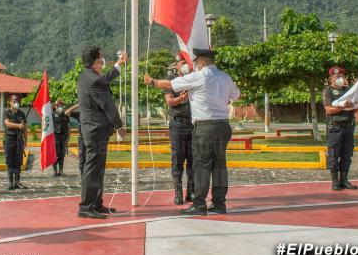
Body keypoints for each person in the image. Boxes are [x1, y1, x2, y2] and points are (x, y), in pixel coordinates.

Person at [144, 48, 240, 216]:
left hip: (205, 127)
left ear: (200, 61)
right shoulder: (225, 76)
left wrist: (151, 81)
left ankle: (199, 204)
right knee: (219, 165)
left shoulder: (198, 76)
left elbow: (168, 85)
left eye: (195, 61)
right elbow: (236, 96)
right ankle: (219, 203)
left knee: (201, 165)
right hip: (223, 126)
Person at [77, 47, 127, 219]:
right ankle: (86, 206)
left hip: (92, 128)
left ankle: (96, 203)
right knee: (93, 168)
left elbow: (104, 81)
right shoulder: (95, 80)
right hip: (96, 129)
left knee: (97, 168)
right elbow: (108, 104)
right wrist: (119, 126)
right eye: (101, 58)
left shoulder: (87, 76)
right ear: (95, 61)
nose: (103, 61)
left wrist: (118, 65)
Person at [323, 66, 358, 191]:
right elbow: (328, 110)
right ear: (331, 78)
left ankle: (344, 180)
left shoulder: (347, 91)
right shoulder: (328, 91)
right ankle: (335, 181)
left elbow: (352, 109)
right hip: (335, 128)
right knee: (334, 154)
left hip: (349, 127)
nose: (341, 78)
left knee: (347, 154)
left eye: (342, 76)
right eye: (338, 76)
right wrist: (343, 106)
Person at [164, 54, 194, 205]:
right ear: (177, 65)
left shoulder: (195, 78)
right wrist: (181, 98)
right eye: (182, 62)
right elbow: (169, 101)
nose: (184, 65)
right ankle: (178, 193)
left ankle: (191, 192)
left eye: (186, 62)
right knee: (177, 160)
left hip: (193, 124)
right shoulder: (171, 80)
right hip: (178, 124)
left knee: (193, 160)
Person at [4, 95, 28, 190]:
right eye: (14, 101)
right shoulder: (7, 112)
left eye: (17, 101)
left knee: (18, 161)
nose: (16, 103)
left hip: (19, 140)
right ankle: (11, 182)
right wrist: (18, 125)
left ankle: (17, 182)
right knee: (10, 161)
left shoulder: (22, 113)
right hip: (9, 139)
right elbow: (7, 124)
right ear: (10, 102)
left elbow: (25, 128)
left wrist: (26, 140)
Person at [52, 99, 71, 177]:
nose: (60, 107)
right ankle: (55, 171)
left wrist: (67, 139)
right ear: (55, 106)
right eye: (58, 105)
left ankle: (61, 170)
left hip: (63, 137)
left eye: (61, 105)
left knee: (62, 154)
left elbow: (69, 129)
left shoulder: (66, 116)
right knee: (55, 154)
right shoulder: (52, 115)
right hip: (55, 137)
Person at [65, 104, 84, 176]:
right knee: (82, 155)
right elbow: (66, 113)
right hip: (82, 138)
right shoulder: (81, 114)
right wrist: (78, 105)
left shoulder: (95, 113)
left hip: (93, 138)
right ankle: (82, 173)